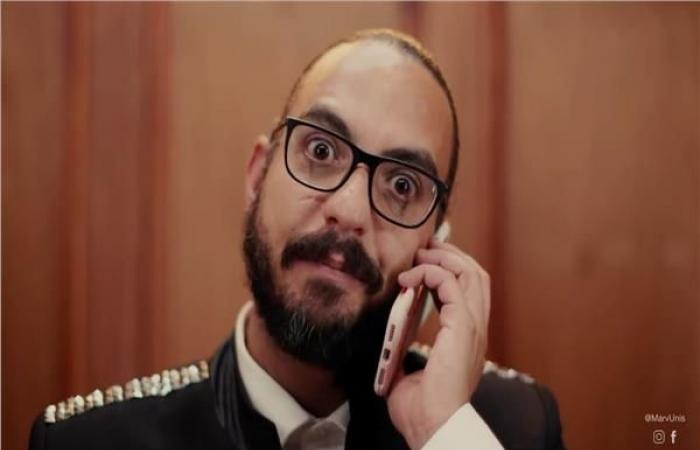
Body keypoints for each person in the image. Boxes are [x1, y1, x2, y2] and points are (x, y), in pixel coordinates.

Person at [29, 29, 565, 450]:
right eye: (321, 151)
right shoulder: (87, 443)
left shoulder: (513, 428)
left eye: (402, 185)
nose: (349, 211)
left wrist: (442, 432)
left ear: (437, 243)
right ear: (257, 175)